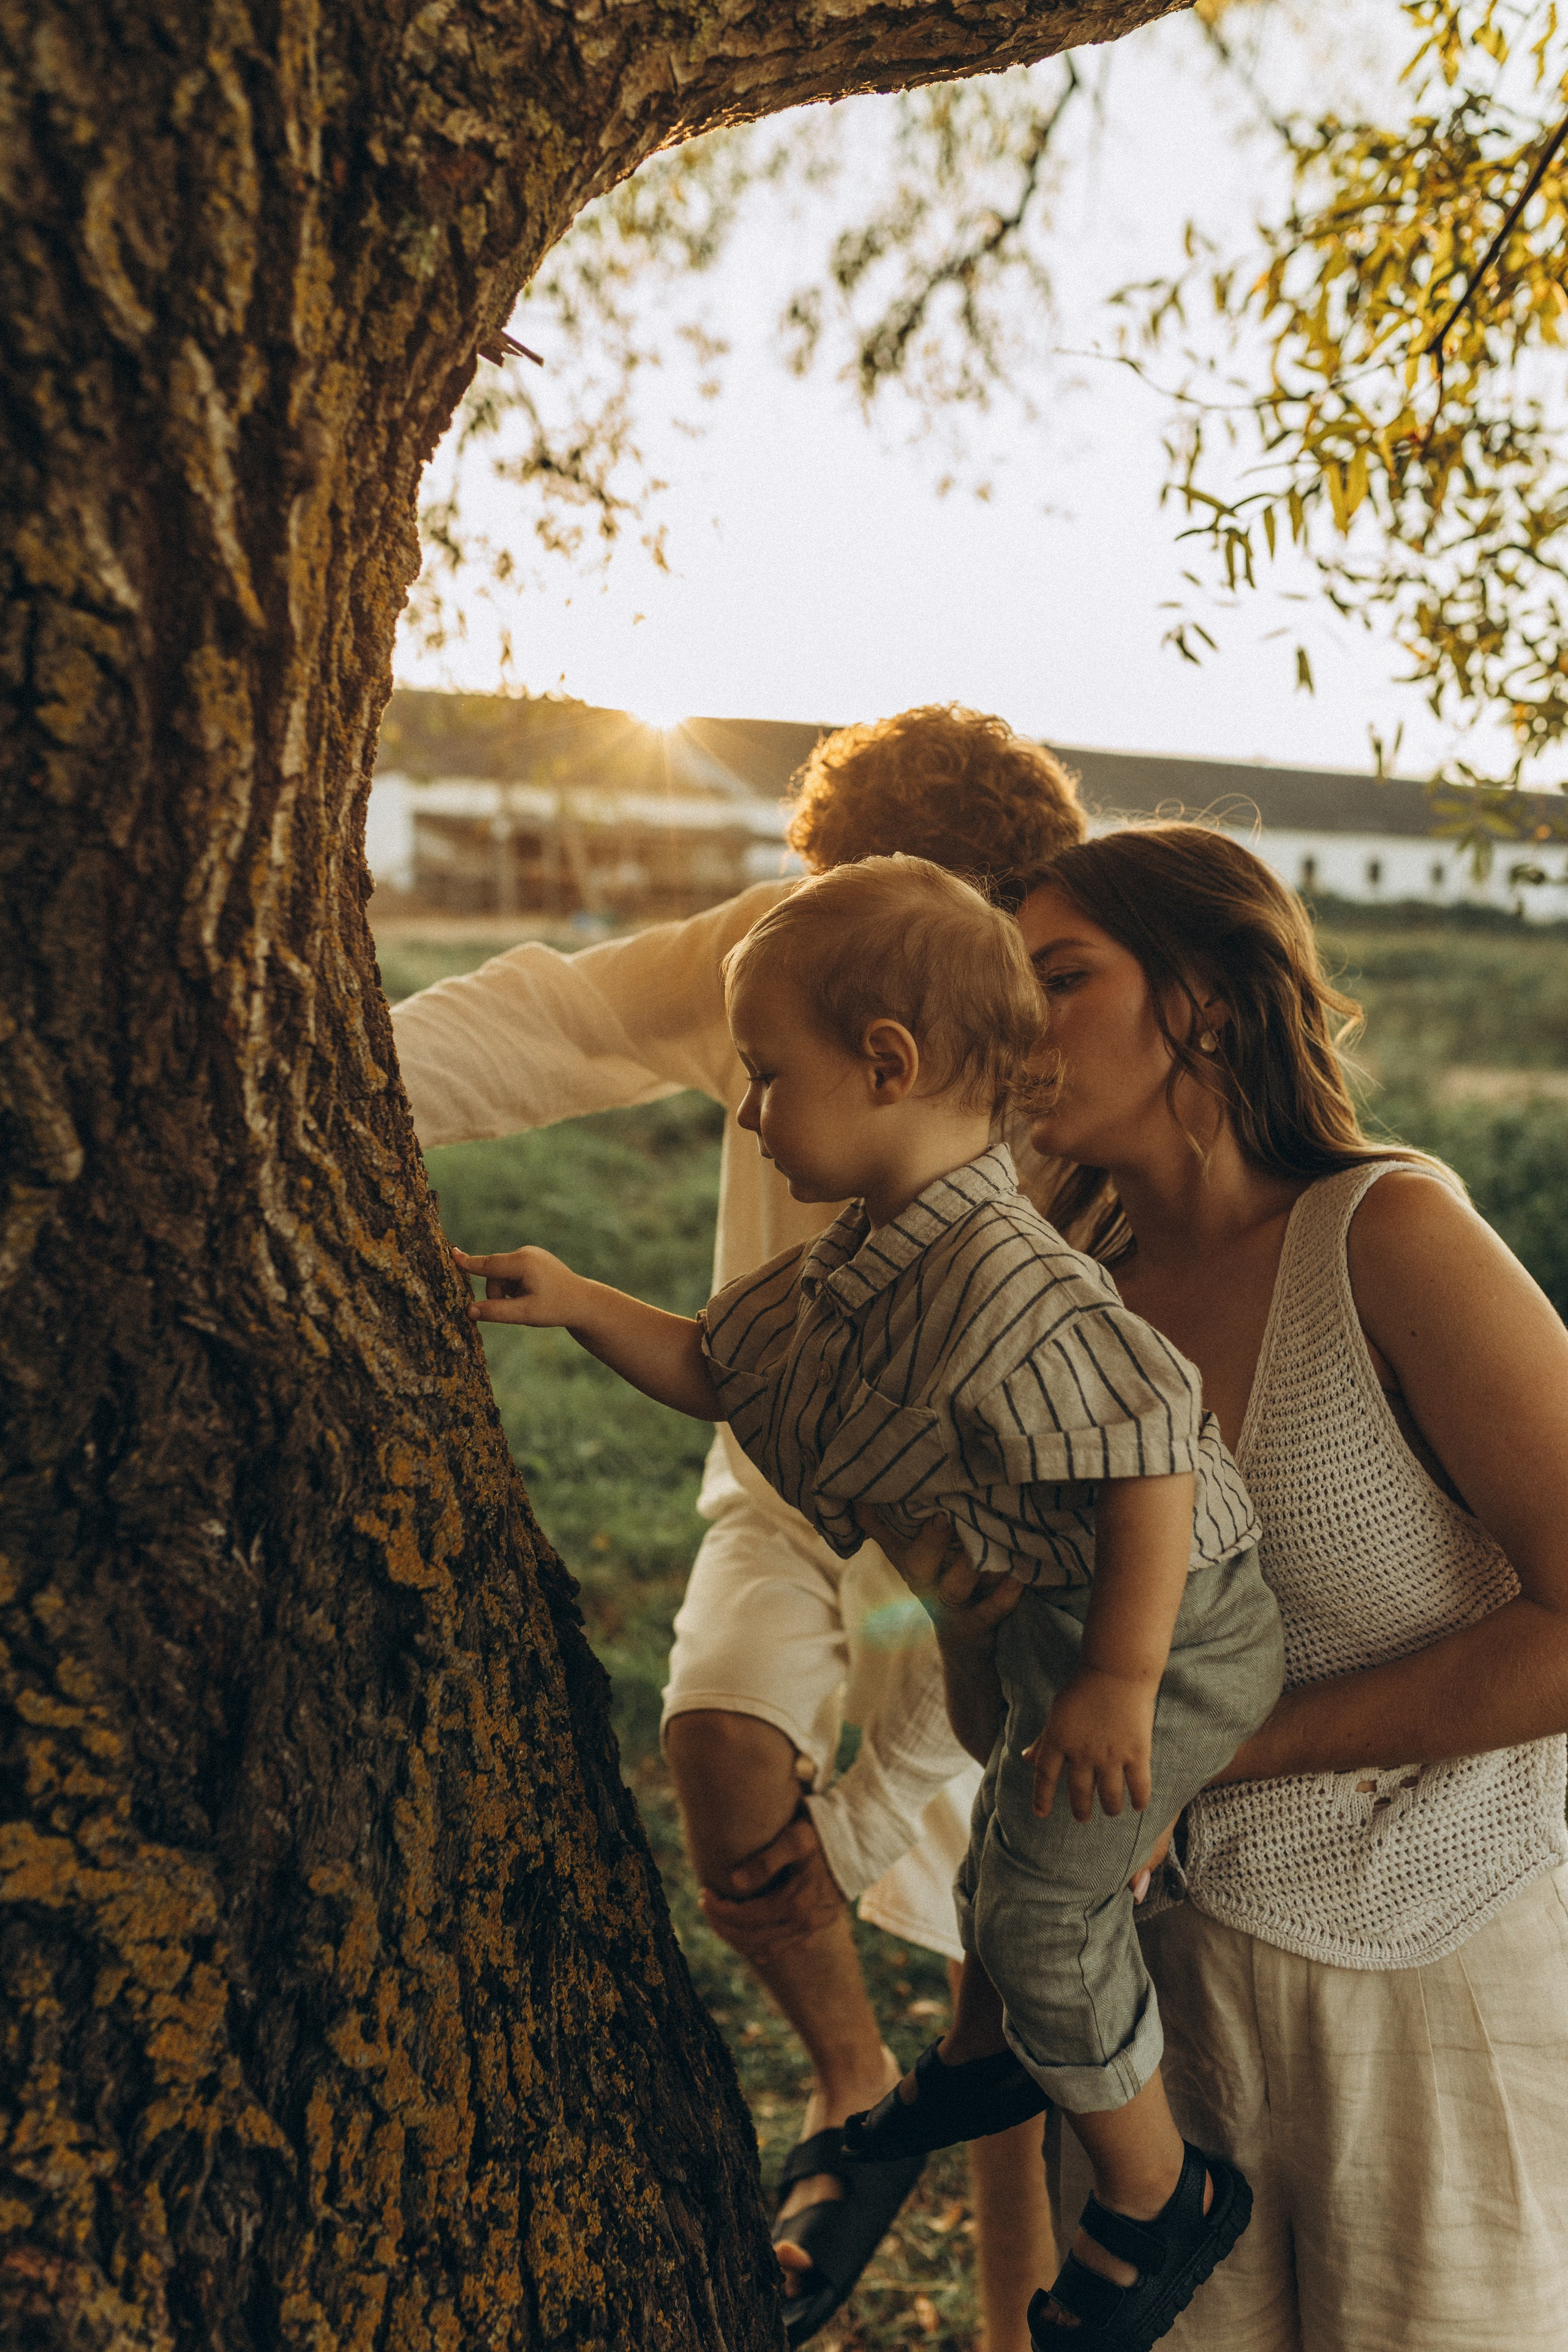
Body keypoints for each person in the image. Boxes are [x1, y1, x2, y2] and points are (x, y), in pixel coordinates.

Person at [453, 855, 1287, 2352]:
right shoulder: (864, 1264)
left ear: (887, 1064)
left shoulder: (1003, 1281)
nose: (753, 1111)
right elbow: (724, 1368)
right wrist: (577, 1299)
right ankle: (1003, 2059)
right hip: (1042, 1627)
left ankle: (1160, 2202)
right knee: (1004, 1867)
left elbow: (1156, 1447)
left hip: (1164, 1634)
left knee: (1039, 1916)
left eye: (768, 1078)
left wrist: (1115, 1677)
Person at [390, 707, 1082, 2346]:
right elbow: (556, 1021)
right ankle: (850, 2092)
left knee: (1032, 1951)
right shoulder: (790, 951)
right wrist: (279, 1070)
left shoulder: (1060, 1014)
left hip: (1000, 1533)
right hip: (787, 1485)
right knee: (722, 1742)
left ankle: (1020, 2291)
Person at [889, 820, 1568, 2351]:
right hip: (1147, 2028)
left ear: (1203, 997)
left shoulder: (1384, 1236)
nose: (1017, 1025)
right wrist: (965, 1608)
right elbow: (1021, 1708)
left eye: (1058, 977)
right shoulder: (1057, 1308)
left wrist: (1217, 1751)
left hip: (1424, 1981)